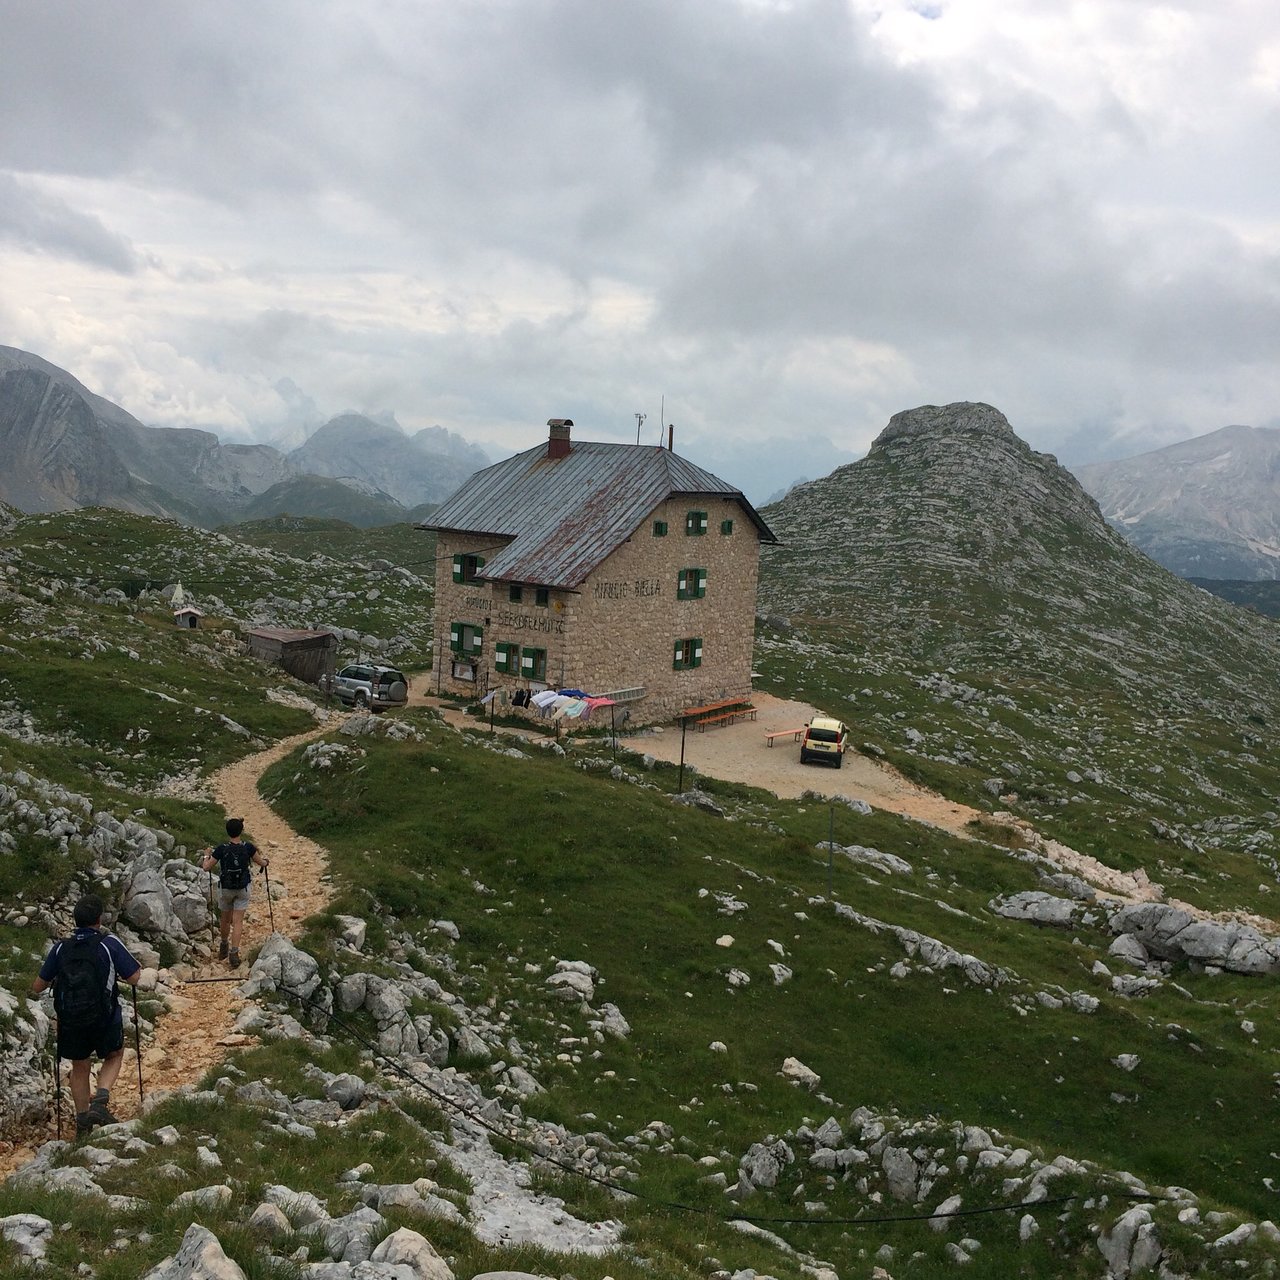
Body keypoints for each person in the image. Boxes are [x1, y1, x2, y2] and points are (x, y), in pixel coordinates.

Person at [32, 893, 141, 1136]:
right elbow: (134, 977)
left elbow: (38, 986)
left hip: (70, 1020)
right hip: (104, 1017)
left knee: (79, 1065)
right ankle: (100, 1102)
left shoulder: (61, 948)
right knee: (114, 1054)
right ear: (99, 919)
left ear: (75, 920)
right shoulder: (108, 943)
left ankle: (82, 1122)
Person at [201, 817, 270, 969]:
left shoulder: (221, 848)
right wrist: (266, 862)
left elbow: (206, 867)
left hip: (225, 888)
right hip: (242, 889)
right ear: (241, 831)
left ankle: (224, 946)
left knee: (226, 920)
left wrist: (207, 854)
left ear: (227, 831)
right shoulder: (248, 847)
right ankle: (234, 953)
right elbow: (261, 862)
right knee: (238, 921)